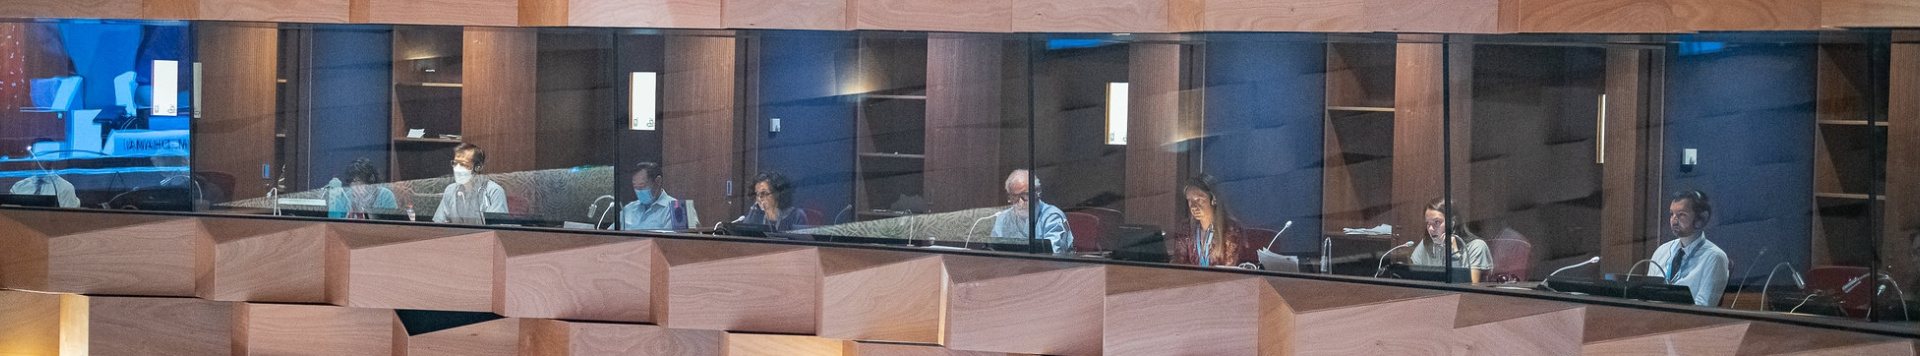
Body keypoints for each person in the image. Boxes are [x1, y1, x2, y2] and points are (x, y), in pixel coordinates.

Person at [1648, 190, 1730, 307]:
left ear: (1701, 218)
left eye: (1681, 214)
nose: (1674, 221)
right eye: (1672, 214)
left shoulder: (1714, 257)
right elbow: (1646, 296)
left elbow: (1704, 307)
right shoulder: (1661, 251)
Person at [1165, 174, 1250, 266]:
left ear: (1213, 199)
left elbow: (1230, 269)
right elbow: (1178, 261)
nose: (1193, 207)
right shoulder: (1187, 227)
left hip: (1221, 280)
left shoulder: (1231, 229)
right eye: (1190, 200)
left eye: (1199, 200)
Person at [992, 169, 1074, 255]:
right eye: (1014, 197)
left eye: (1024, 195)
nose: (1020, 202)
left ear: (1037, 193)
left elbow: (1052, 256)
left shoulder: (1053, 217)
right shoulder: (1003, 218)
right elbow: (993, 251)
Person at [1412, 198, 1492, 283]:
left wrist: (1453, 253)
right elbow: (1413, 278)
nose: (1431, 229)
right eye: (1428, 223)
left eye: (1437, 222)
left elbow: (1471, 285)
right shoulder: (1426, 244)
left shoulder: (1476, 246)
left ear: (1452, 223)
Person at [432, 143, 508, 224]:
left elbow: (498, 229)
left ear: (478, 167)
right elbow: (438, 225)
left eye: (463, 164)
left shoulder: (494, 191)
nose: (457, 169)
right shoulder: (450, 190)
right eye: (455, 163)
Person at [326, 158, 398, 219]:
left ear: (371, 181)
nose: (355, 188)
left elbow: (392, 225)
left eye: (359, 183)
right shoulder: (346, 196)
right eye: (353, 183)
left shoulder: (385, 195)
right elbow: (335, 221)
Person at [621, 162, 683, 231]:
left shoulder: (676, 208)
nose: (639, 191)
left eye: (642, 186)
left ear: (658, 181)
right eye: (635, 186)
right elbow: (610, 235)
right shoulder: (629, 208)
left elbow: (678, 241)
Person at [742, 171, 808, 231]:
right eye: (757, 194)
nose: (759, 198)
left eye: (763, 193)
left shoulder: (796, 215)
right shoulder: (755, 214)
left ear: (777, 194)